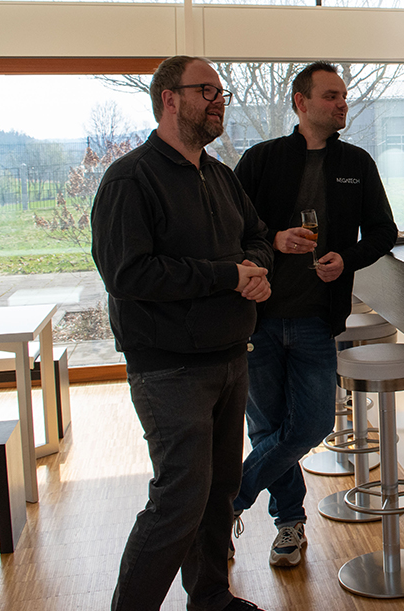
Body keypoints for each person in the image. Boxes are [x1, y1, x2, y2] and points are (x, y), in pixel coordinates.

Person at [91, 55, 272, 611]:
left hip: (229, 358)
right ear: (170, 99)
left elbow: (258, 236)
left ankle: (211, 597)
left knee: (218, 492)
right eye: (207, 91)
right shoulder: (130, 178)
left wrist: (258, 272)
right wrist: (227, 275)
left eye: (221, 93)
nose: (219, 100)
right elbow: (127, 273)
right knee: (180, 499)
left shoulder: (219, 175)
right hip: (168, 369)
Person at [230, 61, 397, 567]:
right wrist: (275, 241)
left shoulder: (358, 163)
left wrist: (348, 259)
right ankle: (290, 525)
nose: (341, 104)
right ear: (301, 103)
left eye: (343, 97)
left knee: (311, 424)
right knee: (267, 428)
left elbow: (384, 233)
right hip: (257, 317)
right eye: (330, 96)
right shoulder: (260, 160)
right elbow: (232, 230)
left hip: (316, 319)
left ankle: (226, 502)